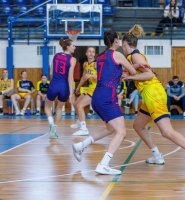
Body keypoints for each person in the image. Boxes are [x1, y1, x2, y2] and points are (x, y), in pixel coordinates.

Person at [122, 24, 185, 172]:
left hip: (154, 93)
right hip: (149, 95)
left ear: (124, 44)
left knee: (166, 131)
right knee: (138, 126)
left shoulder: (135, 55)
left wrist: (130, 77)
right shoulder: (133, 57)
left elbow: (150, 74)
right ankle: (157, 155)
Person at [72, 31, 139, 175]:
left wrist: (118, 74)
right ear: (115, 41)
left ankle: (81, 145)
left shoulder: (99, 57)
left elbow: (107, 72)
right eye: (118, 39)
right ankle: (103, 164)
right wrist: (138, 64)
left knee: (110, 129)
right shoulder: (118, 55)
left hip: (96, 96)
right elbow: (133, 71)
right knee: (121, 132)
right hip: (108, 97)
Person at [45, 38, 76, 139]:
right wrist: (71, 93)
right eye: (73, 46)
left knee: (47, 106)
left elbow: (51, 72)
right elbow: (70, 77)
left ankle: (51, 123)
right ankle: (54, 128)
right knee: (59, 108)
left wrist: (52, 82)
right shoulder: (72, 59)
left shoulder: (56, 55)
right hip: (64, 86)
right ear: (67, 47)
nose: (75, 47)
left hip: (54, 83)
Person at [70, 47, 97, 136]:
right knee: (76, 103)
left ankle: (84, 128)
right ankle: (79, 121)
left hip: (96, 89)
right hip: (90, 88)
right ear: (86, 53)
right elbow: (83, 77)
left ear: (95, 54)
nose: (91, 53)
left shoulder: (96, 64)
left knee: (79, 105)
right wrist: (78, 88)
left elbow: (103, 78)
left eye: (93, 52)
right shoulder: (85, 64)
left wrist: (91, 76)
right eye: (89, 51)